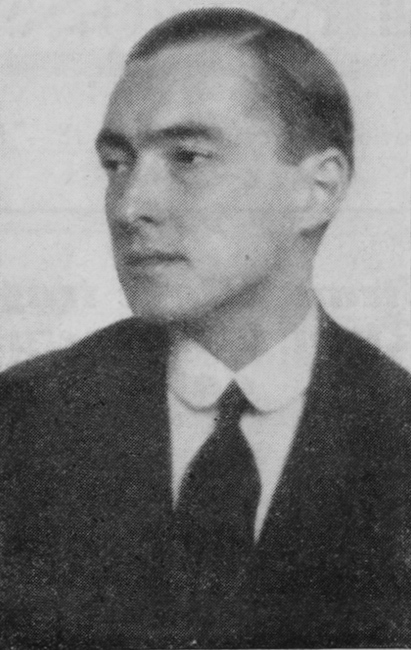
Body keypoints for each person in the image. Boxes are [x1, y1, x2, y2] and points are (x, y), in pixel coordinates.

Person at [1, 7, 410, 649]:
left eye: (188, 157)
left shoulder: (397, 432)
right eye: (117, 162)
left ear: (318, 189)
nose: (130, 205)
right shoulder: (22, 421)